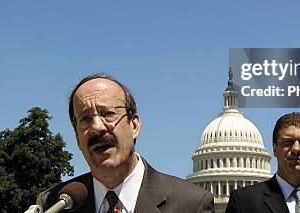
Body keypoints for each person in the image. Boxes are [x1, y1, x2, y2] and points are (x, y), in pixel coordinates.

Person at [35, 73, 214, 213]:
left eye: (108, 114)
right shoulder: (54, 204)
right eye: (85, 119)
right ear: (77, 138)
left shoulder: (191, 204)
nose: (97, 127)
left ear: (134, 125)